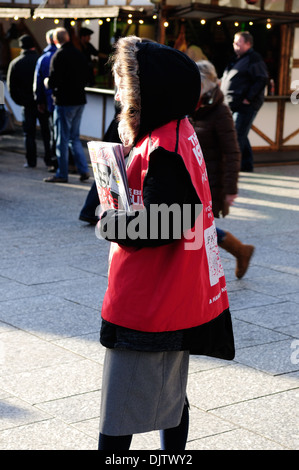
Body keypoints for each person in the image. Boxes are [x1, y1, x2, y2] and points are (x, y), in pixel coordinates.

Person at [96, 36, 235, 451]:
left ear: (149, 91)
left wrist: (110, 223)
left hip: (150, 303)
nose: (120, 93)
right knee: (170, 400)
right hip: (173, 294)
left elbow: (166, 222)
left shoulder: (164, 147)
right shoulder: (176, 129)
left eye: (126, 85)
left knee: (118, 415)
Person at [190, 60, 255, 279]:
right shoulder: (191, 107)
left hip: (209, 181)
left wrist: (230, 189)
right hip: (190, 178)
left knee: (195, 227)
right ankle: (240, 251)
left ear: (207, 84)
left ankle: (203, 275)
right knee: (195, 227)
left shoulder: (220, 112)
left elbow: (233, 152)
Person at [43, 27, 90, 183]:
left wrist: (46, 82)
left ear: (56, 40)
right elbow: (88, 76)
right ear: (68, 38)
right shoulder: (79, 54)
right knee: (74, 138)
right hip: (80, 100)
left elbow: (53, 81)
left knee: (62, 139)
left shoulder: (59, 55)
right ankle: (83, 170)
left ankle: (62, 173)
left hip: (64, 102)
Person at [221, 31, 268, 172]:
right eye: (234, 42)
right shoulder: (238, 58)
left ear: (248, 43)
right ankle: (246, 166)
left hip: (245, 105)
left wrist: (248, 98)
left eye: (238, 42)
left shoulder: (254, 58)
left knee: (236, 135)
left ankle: (232, 169)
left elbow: (262, 79)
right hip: (235, 104)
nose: (235, 45)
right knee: (241, 134)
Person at [7, 34, 39, 168]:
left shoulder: (16, 63)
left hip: (26, 103)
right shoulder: (40, 59)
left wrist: (20, 101)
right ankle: (51, 161)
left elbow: (11, 87)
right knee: (48, 132)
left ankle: (31, 160)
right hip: (41, 102)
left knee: (29, 133)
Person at [33, 29, 57, 169]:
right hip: (63, 100)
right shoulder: (60, 55)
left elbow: (38, 81)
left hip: (49, 101)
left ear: (49, 40)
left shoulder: (44, 58)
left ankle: (51, 159)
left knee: (49, 132)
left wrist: (39, 101)